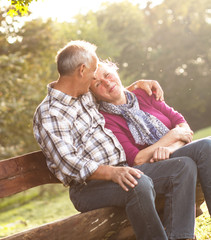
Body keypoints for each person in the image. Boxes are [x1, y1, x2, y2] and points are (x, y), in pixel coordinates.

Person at [33, 40, 196, 240]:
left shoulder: (83, 95)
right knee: (138, 185)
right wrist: (112, 172)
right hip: (89, 187)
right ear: (82, 71)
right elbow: (69, 163)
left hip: (123, 171)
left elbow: (111, 92)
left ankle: (182, 237)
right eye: (93, 71)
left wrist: (138, 84)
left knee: (182, 166)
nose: (96, 77)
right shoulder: (50, 113)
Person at [90, 60, 211, 240]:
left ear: (115, 71)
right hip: (150, 170)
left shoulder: (143, 93)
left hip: (172, 154)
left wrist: (170, 147)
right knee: (203, 149)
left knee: (206, 146)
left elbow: (182, 126)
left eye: (107, 75)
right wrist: (170, 138)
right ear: (94, 95)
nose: (107, 82)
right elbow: (136, 159)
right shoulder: (105, 120)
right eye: (98, 83)